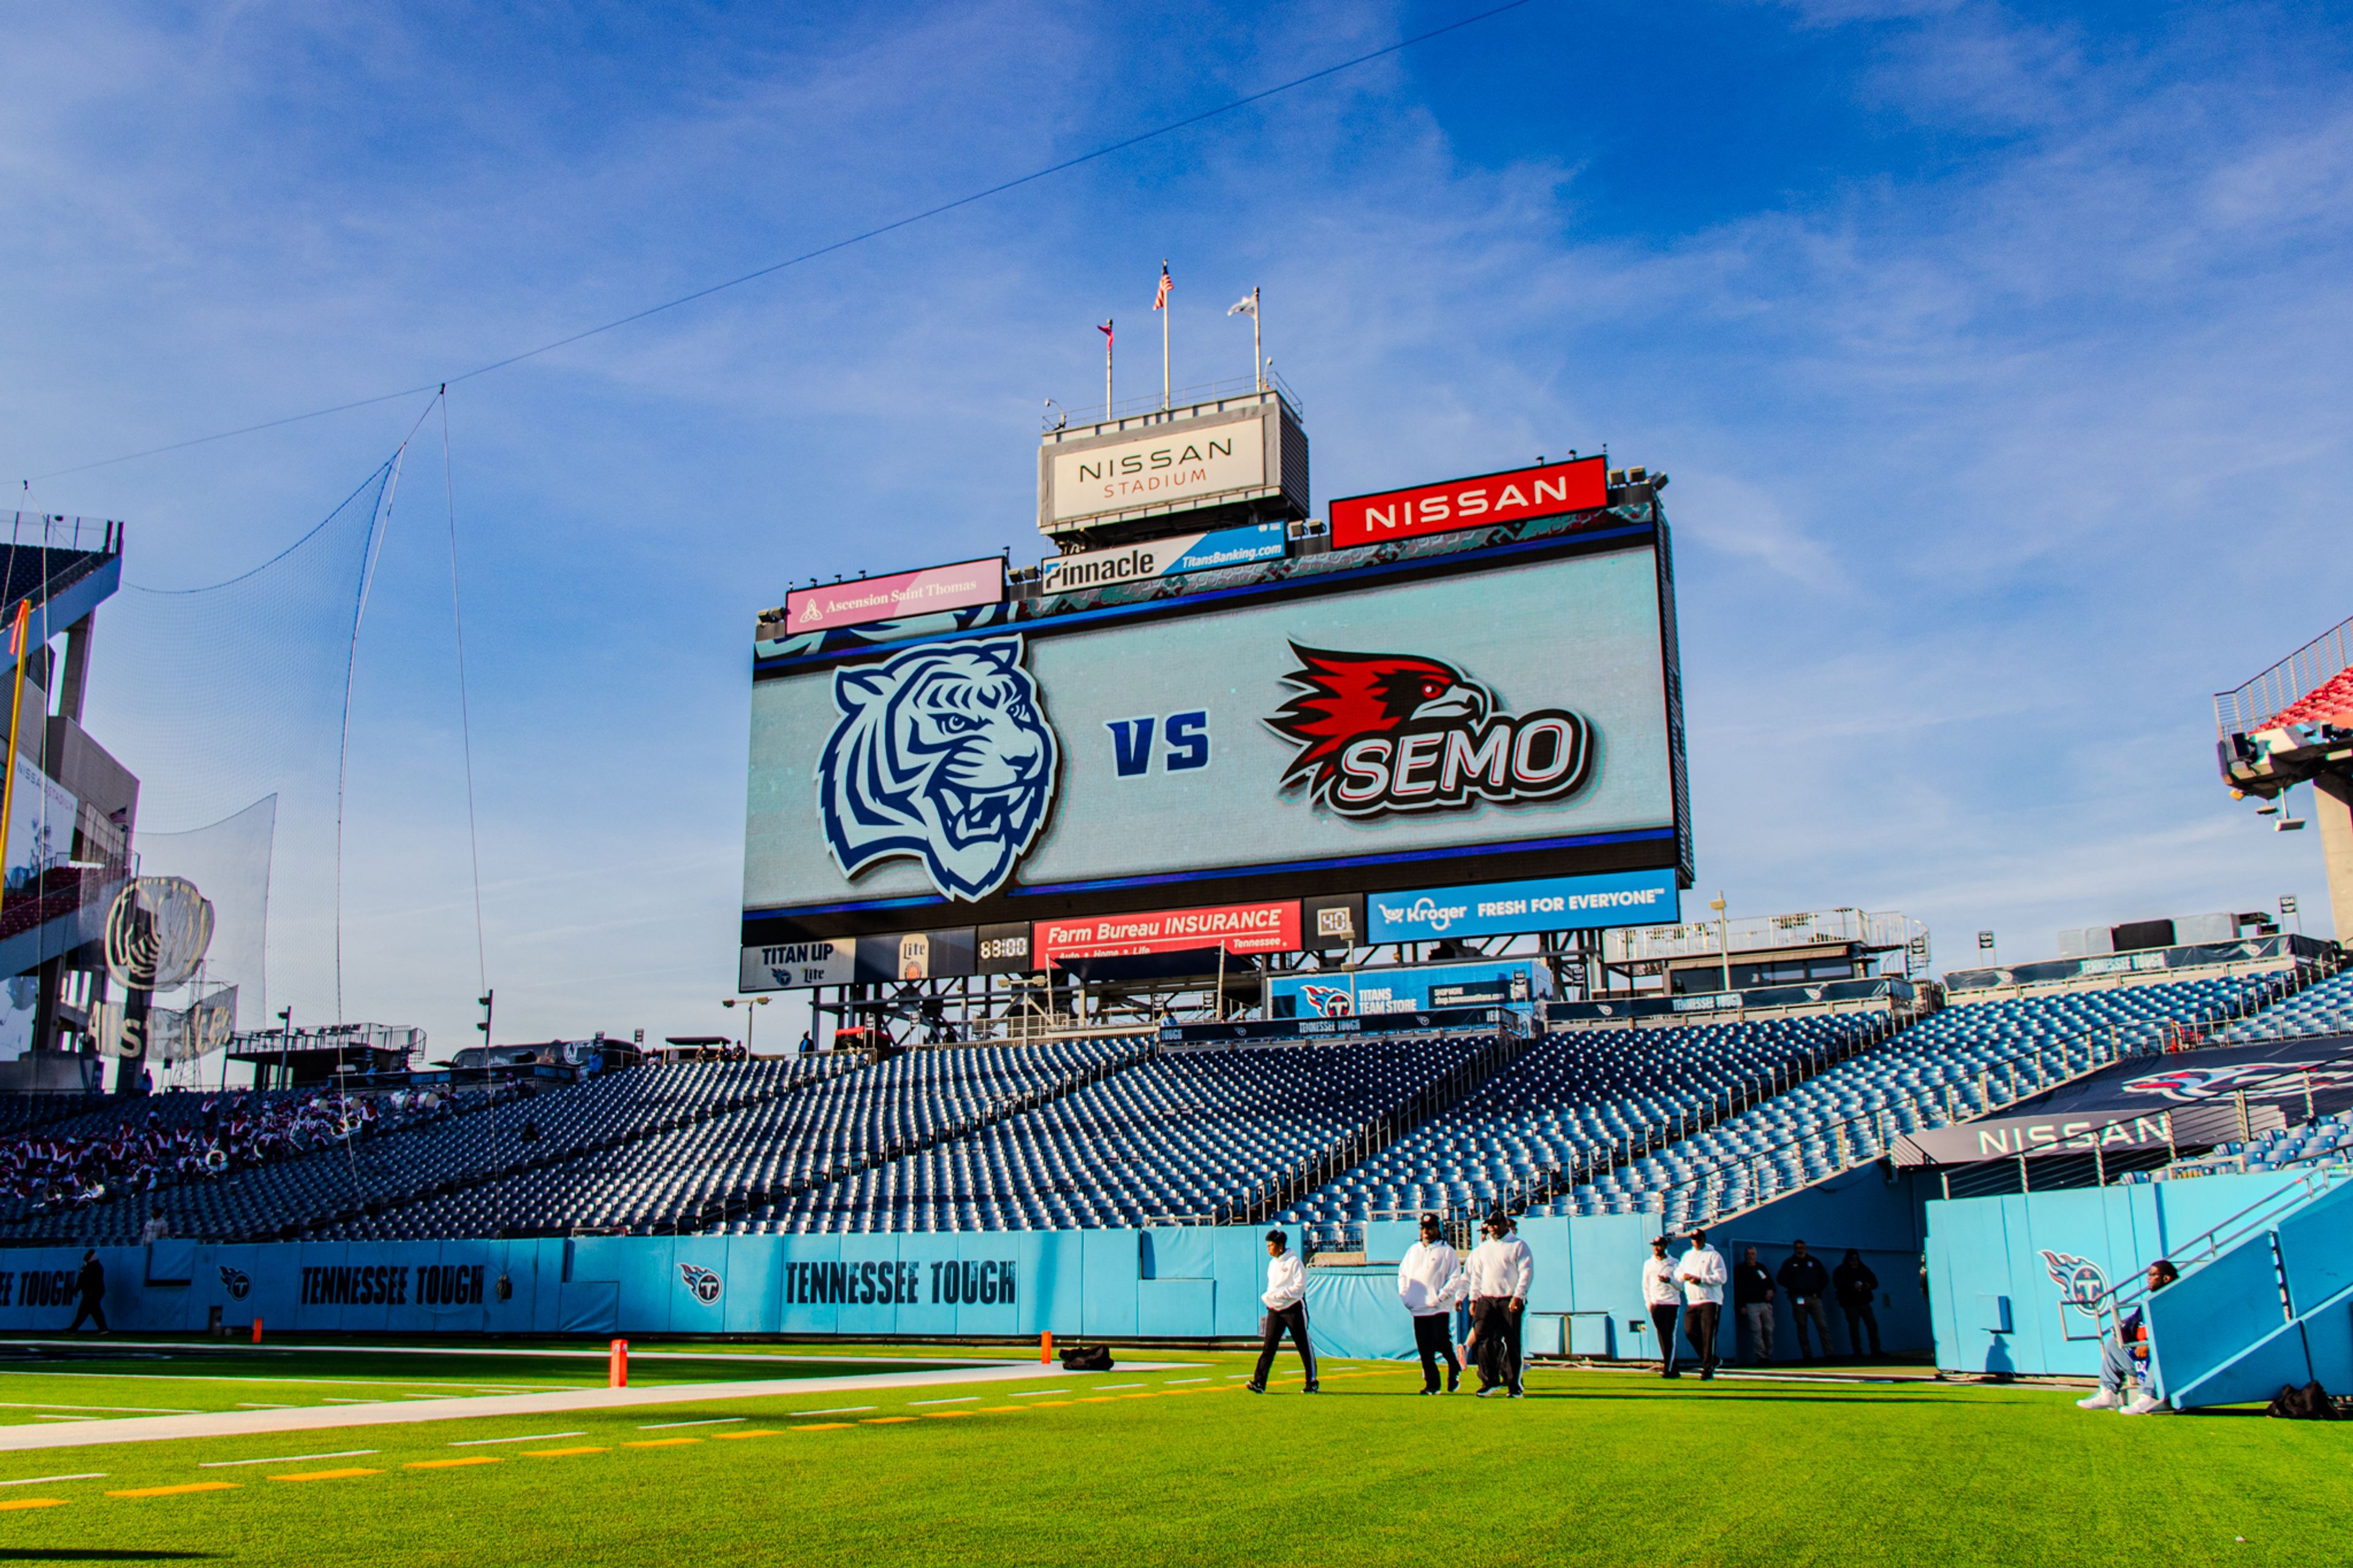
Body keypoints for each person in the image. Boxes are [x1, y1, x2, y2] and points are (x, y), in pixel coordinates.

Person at [2078, 1260, 2180, 1415]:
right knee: (2113, 1345)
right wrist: (2122, 1334)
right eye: (2148, 1275)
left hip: (2169, 1360)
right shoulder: (2148, 1302)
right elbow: (2132, 1323)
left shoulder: (2177, 1299)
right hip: (2143, 1359)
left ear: (2166, 1279)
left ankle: (2148, 1397)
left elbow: (2174, 1333)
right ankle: (2108, 1394)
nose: (2148, 1279)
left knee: (2161, 1349)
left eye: (2153, 1275)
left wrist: (2149, 1343)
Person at [1464, 1211, 1533, 1396]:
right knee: (1483, 1340)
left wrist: (1518, 1296)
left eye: (1496, 1224)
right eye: (1490, 1225)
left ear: (1504, 1225)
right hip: (1486, 1299)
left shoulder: (1518, 1246)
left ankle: (1514, 1385)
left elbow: (1526, 1273)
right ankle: (1489, 1381)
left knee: (1512, 1342)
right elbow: (1477, 1277)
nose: (1493, 1228)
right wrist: (1473, 1299)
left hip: (1508, 1299)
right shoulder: (1483, 1249)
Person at [1396, 1213, 1465, 1395]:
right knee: (1424, 1347)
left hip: (1438, 1307)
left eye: (1430, 1228)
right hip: (1418, 1307)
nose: (1426, 1232)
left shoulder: (1446, 1251)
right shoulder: (1413, 1250)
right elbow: (1403, 1274)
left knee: (1442, 1341)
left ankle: (1454, 1365)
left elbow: (1455, 1277)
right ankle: (1432, 1384)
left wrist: (1441, 1297)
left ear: (1437, 1229)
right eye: (1423, 1228)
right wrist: (1405, 1295)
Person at [1246, 1229, 1317, 1394]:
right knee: (1269, 1347)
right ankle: (1259, 1382)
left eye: (1271, 1245)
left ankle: (1312, 1381)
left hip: (1293, 1309)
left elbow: (1300, 1288)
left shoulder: (1294, 1262)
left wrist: (1281, 1295)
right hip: (1275, 1310)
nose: (1268, 1249)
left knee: (1303, 1346)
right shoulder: (1273, 1264)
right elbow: (1273, 1287)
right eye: (1267, 1246)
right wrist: (1271, 1299)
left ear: (1280, 1246)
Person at [1675, 1229, 1727, 1379]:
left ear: (1704, 1239)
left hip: (1710, 1300)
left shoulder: (1713, 1255)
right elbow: (1678, 1273)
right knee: (1690, 1332)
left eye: (1698, 1239)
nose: (1696, 1242)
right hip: (1693, 1300)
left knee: (1708, 1334)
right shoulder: (1687, 1256)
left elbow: (1721, 1277)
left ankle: (1707, 1368)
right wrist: (1683, 1276)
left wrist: (1702, 1279)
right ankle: (1712, 1359)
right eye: (1693, 1239)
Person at [1777, 1239, 1833, 1361]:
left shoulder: (1813, 1262)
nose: (1800, 1249)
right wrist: (1794, 1287)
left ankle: (1829, 1354)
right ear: (1794, 1249)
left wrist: (1818, 1287)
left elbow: (1825, 1277)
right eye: (1797, 1247)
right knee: (1802, 1327)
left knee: (1822, 1325)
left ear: (1805, 1248)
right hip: (1799, 1298)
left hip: (1814, 1298)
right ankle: (1807, 1355)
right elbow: (1780, 1278)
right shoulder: (1789, 1263)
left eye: (1802, 1247)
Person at [1642, 1236, 1684, 1378]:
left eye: (1659, 1245)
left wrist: (1669, 1281)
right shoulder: (1649, 1264)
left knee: (1669, 1334)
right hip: (1656, 1304)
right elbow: (1645, 1285)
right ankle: (1672, 1366)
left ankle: (1669, 1367)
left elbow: (1680, 1285)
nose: (1656, 1248)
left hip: (1671, 1303)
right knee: (1661, 1335)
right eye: (1655, 1245)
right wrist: (1649, 1303)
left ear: (1665, 1246)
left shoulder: (1675, 1263)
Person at [1833, 1249, 1882, 1358]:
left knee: (1872, 1326)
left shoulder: (1864, 1269)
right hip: (1850, 1303)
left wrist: (1867, 1285)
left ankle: (1876, 1350)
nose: (1854, 1262)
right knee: (1854, 1327)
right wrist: (1852, 1286)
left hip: (1864, 1302)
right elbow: (1838, 1284)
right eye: (1852, 1260)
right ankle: (1857, 1352)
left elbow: (1875, 1283)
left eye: (1856, 1260)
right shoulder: (1841, 1271)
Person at [1733, 1244, 1776, 1364]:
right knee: (1757, 1330)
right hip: (1751, 1305)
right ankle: (1761, 1356)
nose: (1751, 1256)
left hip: (1765, 1304)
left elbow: (1771, 1283)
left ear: (1756, 1256)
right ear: (1745, 1255)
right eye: (1748, 1254)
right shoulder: (1740, 1270)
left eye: (1753, 1254)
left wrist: (1771, 1291)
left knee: (1768, 1330)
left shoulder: (1761, 1268)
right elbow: (1737, 1289)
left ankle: (1768, 1354)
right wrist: (1741, 1305)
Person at [67, 1250, 107, 1334]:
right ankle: (103, 1328)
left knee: (84, 1310)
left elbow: (94, 1281)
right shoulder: (86, 1267)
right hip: (89, 1293)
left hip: (94, 1292)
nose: (86, 1256)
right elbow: (81, 1280)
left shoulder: (96, 1268)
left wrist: (91, 1292)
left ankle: (74, 1329)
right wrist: (77, 1289)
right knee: (94, 1310)